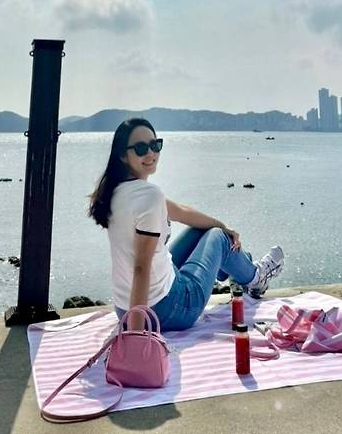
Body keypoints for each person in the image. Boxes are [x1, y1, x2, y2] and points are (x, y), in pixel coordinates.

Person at [89, 117, 284, 331]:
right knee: (218, 238)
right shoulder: (149, 196)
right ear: (122, 155)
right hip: (169, 310)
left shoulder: (117, 191)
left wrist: (223, 225)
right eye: (141, 148)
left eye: (155, 145)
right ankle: (256, 278)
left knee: (205, 230)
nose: (151, 153)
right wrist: (136, 334)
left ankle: (236, 271)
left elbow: (181, 212)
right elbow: (141, 266)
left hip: (124, 309)